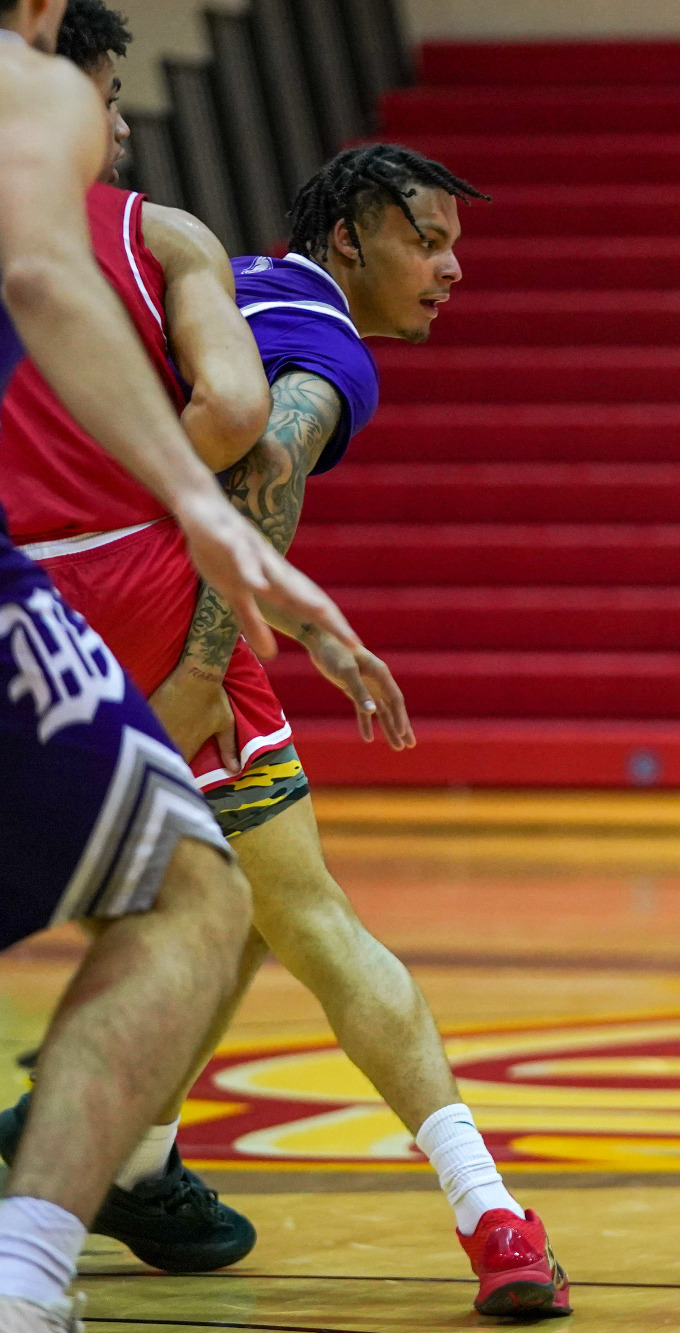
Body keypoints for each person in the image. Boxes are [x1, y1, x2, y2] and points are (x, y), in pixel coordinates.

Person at [0, 1, 359, 1325]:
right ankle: (28, 1275)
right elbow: (52, 290)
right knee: (196, 896)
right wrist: (203, 510)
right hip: (72, 576)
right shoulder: (38, 111)